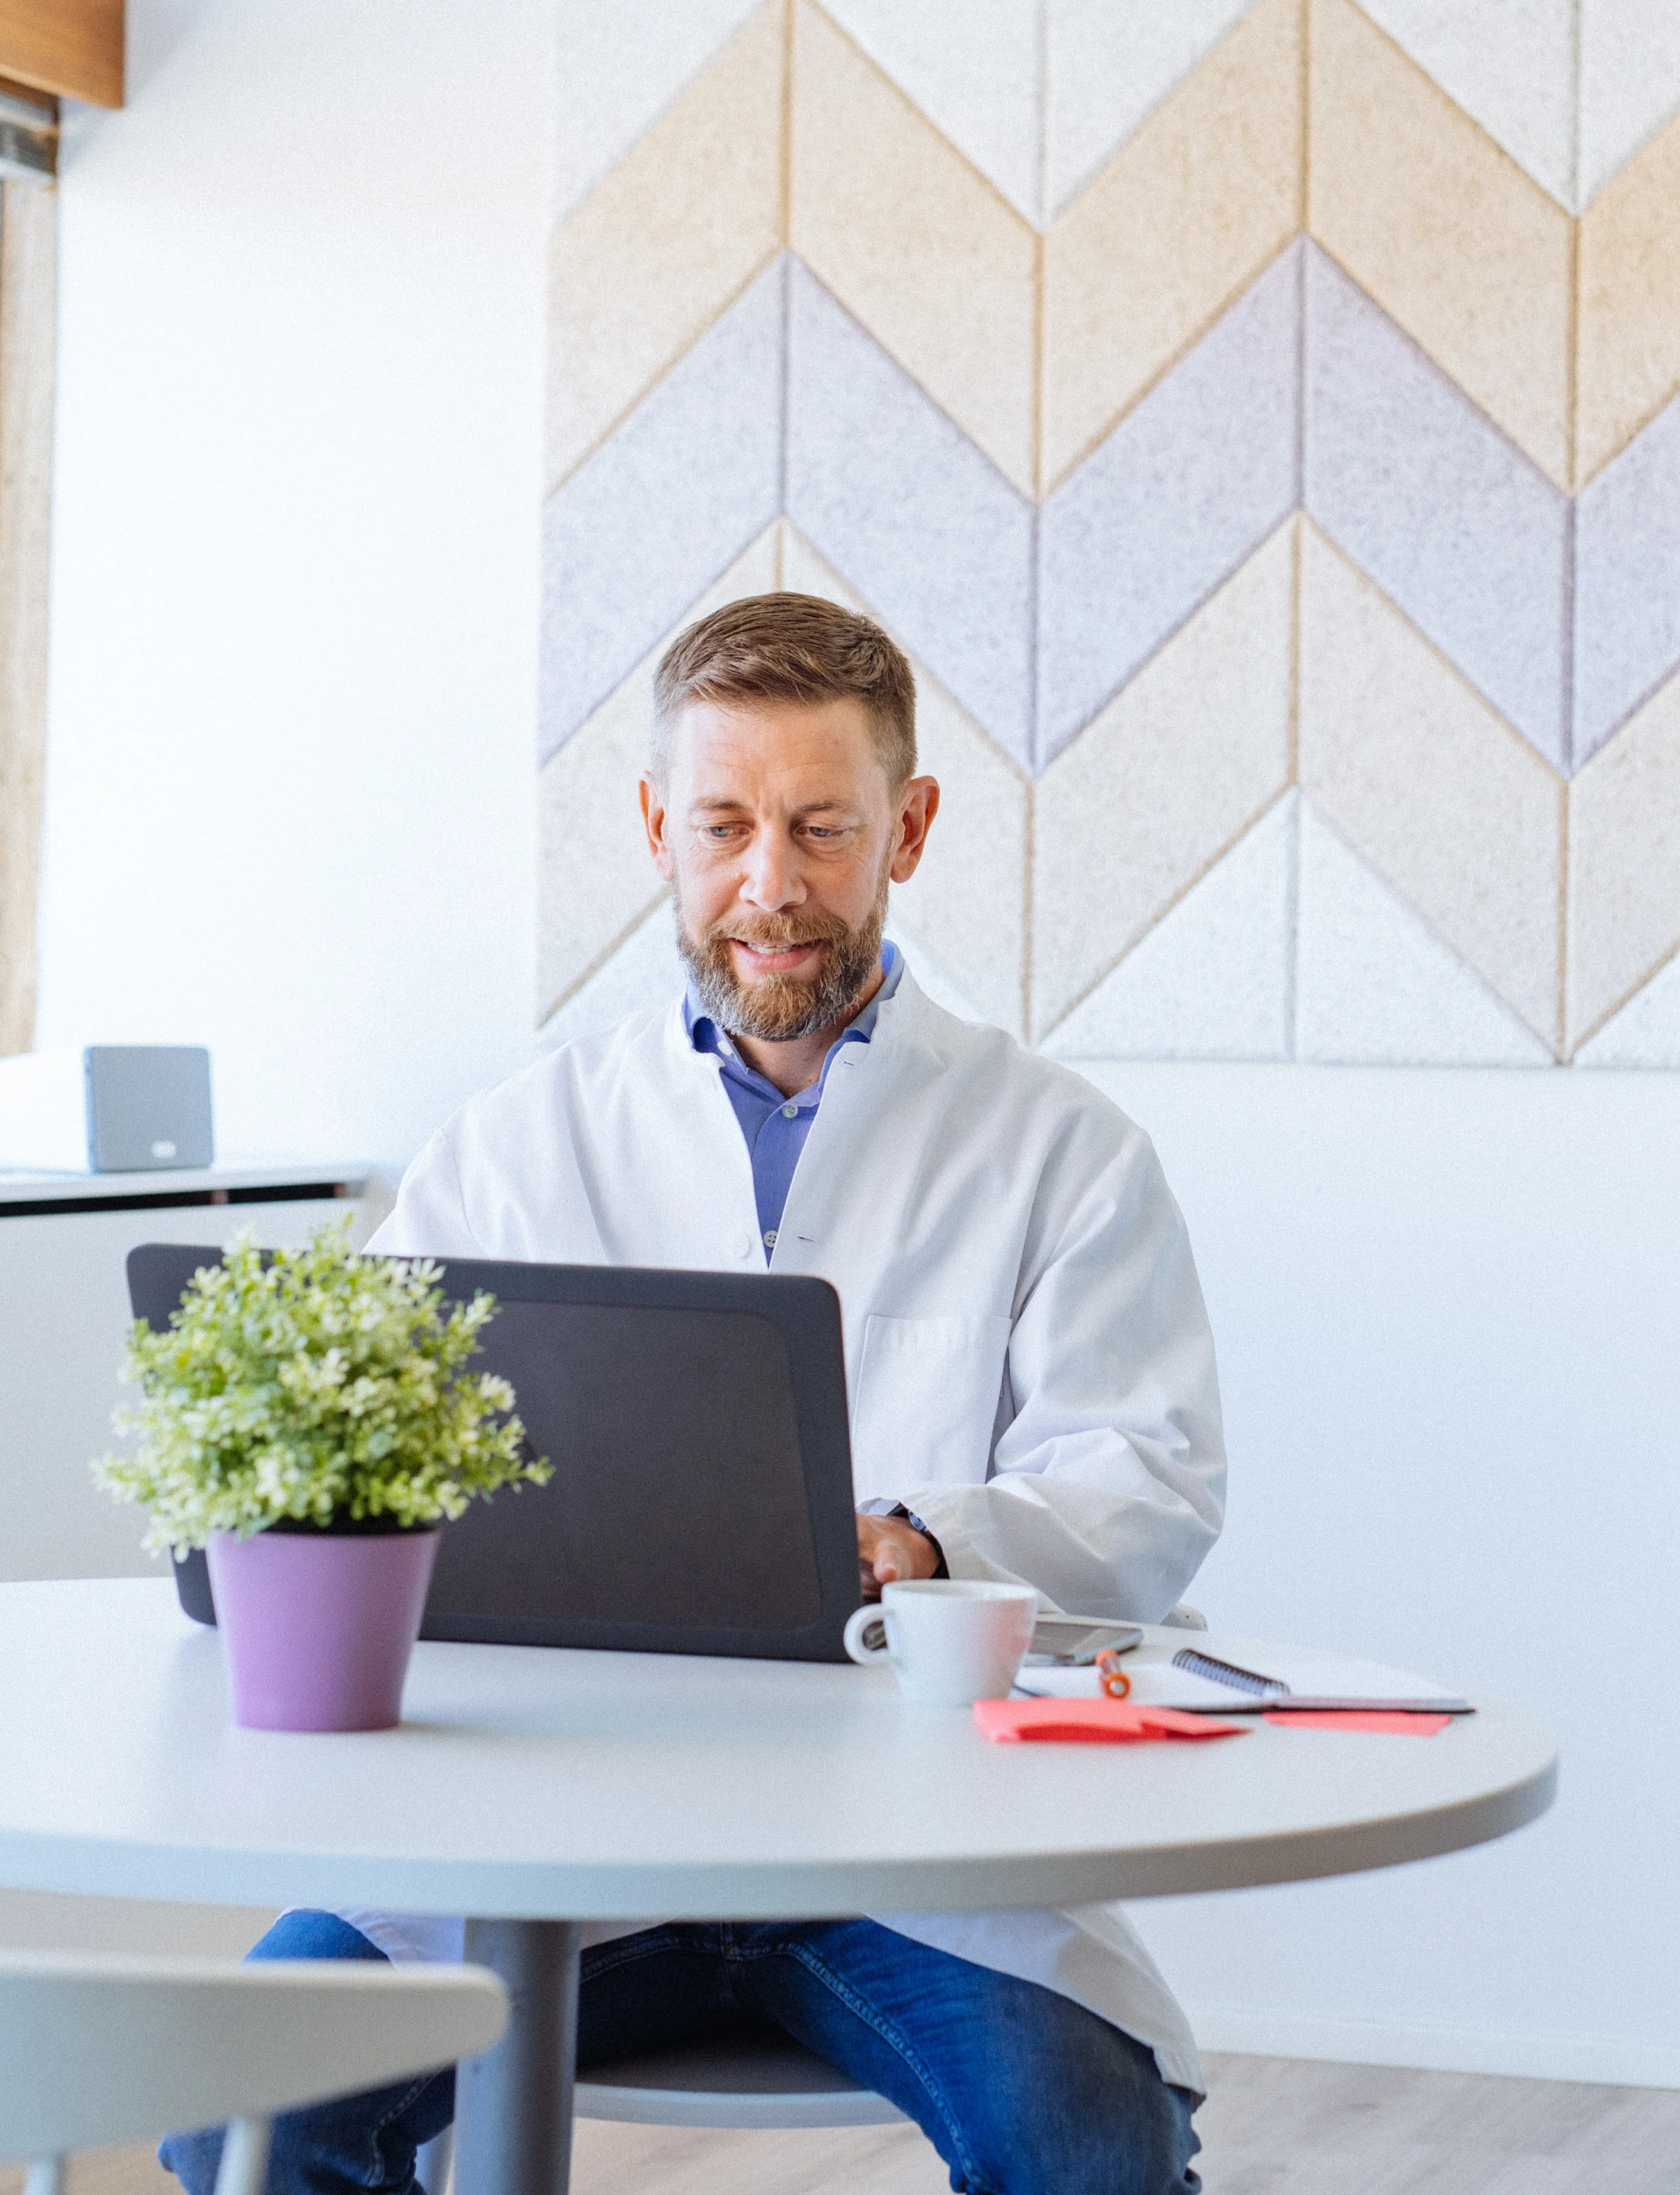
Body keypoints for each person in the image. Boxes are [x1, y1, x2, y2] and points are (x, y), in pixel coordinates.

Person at [162, 593, 1226, 2195]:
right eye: (724, 823)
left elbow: (1145, 1482)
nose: (770, 884)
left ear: (909, 830)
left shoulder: (1062, 1151)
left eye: (821, 826)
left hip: (921, 1855)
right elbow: (357, 1462)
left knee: (1086, 2151)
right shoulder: (515, 1148)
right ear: (660, 827)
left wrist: (927, 1543)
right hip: (561, 1838)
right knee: (247, 2115)